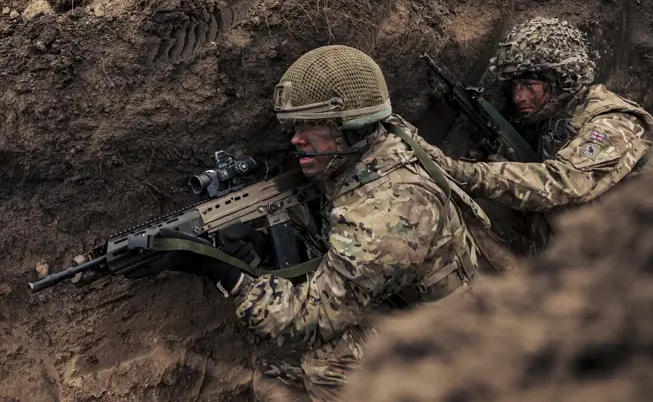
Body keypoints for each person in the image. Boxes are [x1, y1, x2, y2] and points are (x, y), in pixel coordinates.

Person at [127, 45, 491, 401]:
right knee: (277, 367)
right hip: (406, 311)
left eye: (310, 128)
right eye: (294, 127)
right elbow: (339, 251)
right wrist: (261, 248)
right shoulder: (371, 155)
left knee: (325, 360)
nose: (296, 140)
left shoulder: (391, 207)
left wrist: (218, 269)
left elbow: (310, 322)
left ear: (349, 127)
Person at [418, 16, 653, 213]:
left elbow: (566, 184)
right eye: (515, 86)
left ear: (562, 80)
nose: (519, 98)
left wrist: (464, 172)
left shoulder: (613, 124)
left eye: (529, 85)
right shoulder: (555, 114)